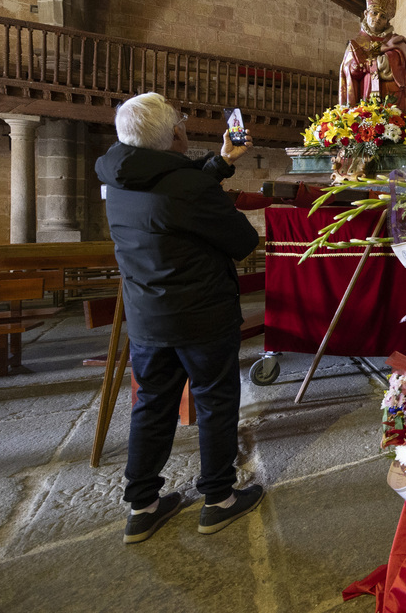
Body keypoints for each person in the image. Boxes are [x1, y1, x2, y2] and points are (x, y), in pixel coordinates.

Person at [95, 92, 263, 543]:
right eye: (182, 121)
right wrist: (216, 186)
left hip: (148, 318)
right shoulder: (188, 188)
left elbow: (169, 187)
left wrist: (223, 162)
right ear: (173, 135)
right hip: (202, 318)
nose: (186, 126)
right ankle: (218, 499)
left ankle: (143, 506)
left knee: (151, 405)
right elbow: (243, 241)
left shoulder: (116, 174)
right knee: (215, 402)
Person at [339, 0, 406, 113]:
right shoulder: (355, 44)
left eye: (382, 16)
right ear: (366, 14)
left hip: (396, 97)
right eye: (374, 13)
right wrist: (356, 67)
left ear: (387, 22)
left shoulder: (396, 41)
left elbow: (403, 65)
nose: (377, 18)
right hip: (366, 96)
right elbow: (348, 72)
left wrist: (378, 62)